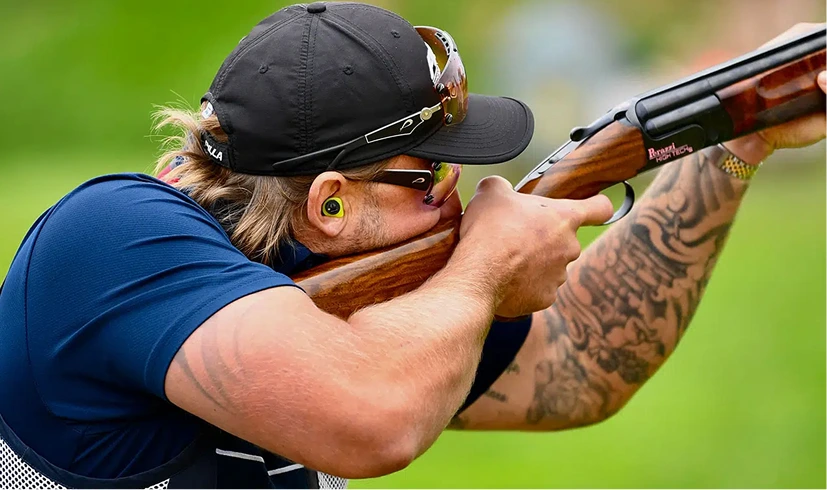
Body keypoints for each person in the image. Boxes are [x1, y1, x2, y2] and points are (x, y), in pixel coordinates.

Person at [0, 2, 823, 488]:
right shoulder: (111, 239)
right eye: (430, 175)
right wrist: (486, 266)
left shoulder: (371, 285)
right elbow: (372, 424)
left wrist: (731, 140)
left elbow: (583, 362)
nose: (460, 196)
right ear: (329, 203)